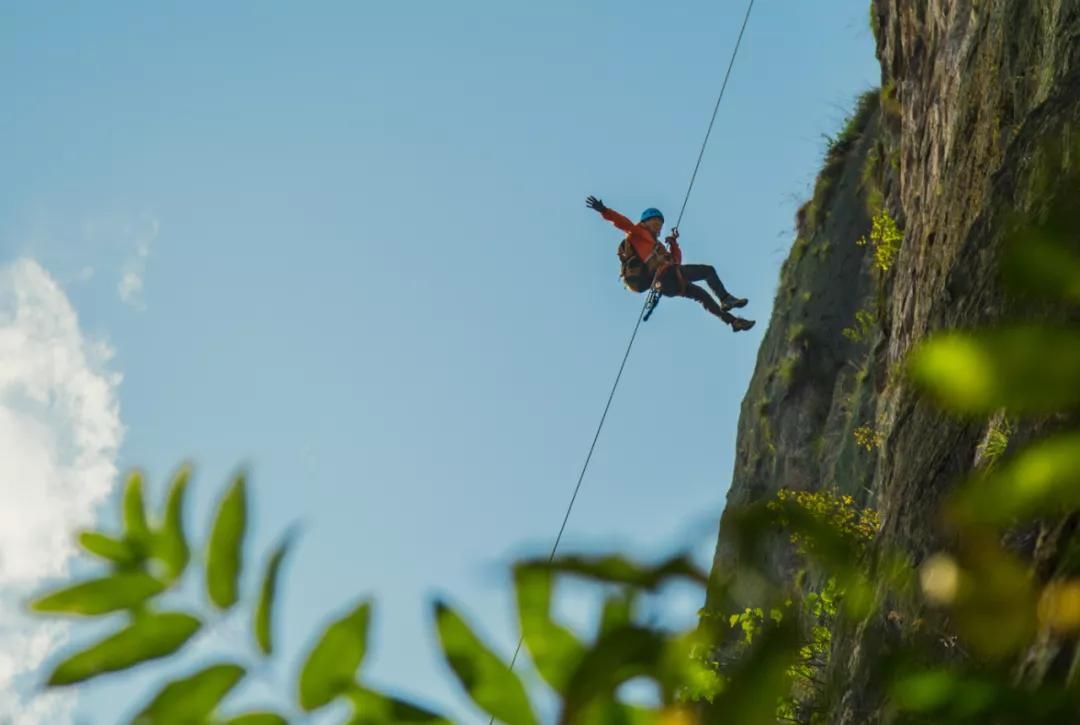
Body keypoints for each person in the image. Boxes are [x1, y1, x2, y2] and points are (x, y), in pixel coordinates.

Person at [586, 196, 755, 331]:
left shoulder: (657, 246)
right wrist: (604, 211)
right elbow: (624, 223)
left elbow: (676, 262)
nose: (659, 228)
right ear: (646, 222)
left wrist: (673, 243)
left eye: (660, 225)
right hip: (665, 276)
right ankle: (726, 299)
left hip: (669, 284)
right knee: (708, 271)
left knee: (702, 295)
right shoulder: (639, 233)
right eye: (656, 223)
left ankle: (733, 322)